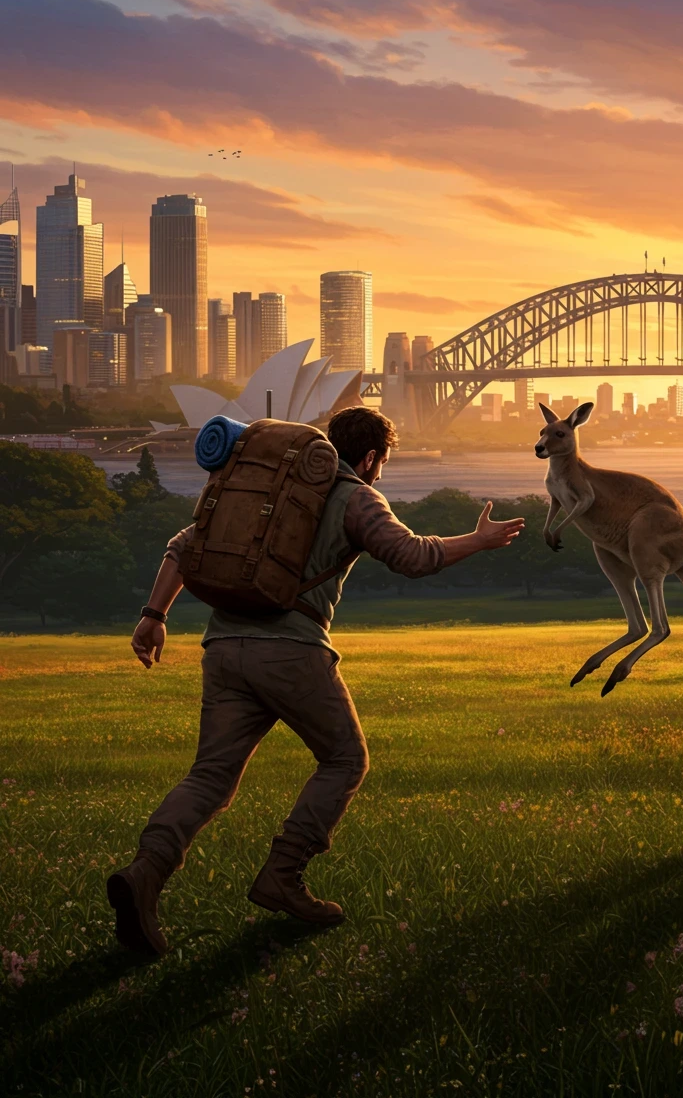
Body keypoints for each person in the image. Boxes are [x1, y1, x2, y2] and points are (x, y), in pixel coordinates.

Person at [107, 407, 524, 957]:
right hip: (291, 652)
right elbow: (412, 557)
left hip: (224, 647)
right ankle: (283, 874)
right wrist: (478, 540)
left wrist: (154, 615)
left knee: (210, 776)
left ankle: (144, 875)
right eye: (382, 462)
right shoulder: (356, 496)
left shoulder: (265, 486)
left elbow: (185, 545)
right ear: (371, 457)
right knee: (345, 759)